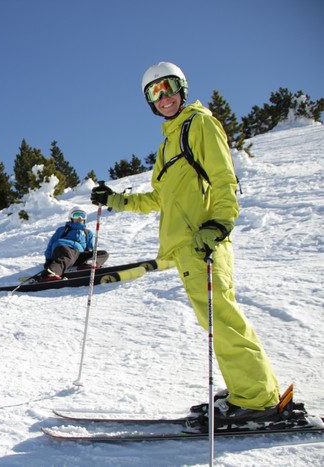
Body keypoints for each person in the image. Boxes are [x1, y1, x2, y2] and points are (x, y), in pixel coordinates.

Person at [90, 62, 280, 425]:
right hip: (185, 249)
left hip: (204, 241)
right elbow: (157, 200)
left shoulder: (199, 124)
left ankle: (257, 399)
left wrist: (220, 223)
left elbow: (224, 177)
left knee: (221, 319)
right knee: (216, 320)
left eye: (169, 87)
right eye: (154, 93)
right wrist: (114, 200)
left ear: (183, 88)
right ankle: (248, 387)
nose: (164, 98)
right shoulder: (167, 146)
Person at [39, 207, 109, 281]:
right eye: (76, 215)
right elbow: (51, 244)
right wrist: (48, 260)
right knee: (66, 257)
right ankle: (50, 273)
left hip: (77, 255)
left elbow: (90, 248)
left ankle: (88, 264)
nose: (79, 218)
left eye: (82, 215)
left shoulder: (88, 233)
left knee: (103, 253)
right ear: (71, 218)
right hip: (64, 248)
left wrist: (92, 256)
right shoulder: (62, 229)